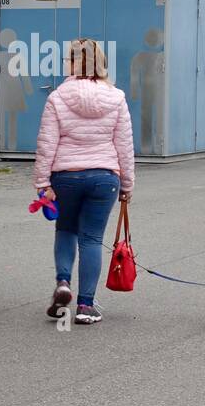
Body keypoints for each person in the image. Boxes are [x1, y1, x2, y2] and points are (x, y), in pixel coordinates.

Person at [33, 38, 135, 324]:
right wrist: (127, 185)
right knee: (91, 238)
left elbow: (46, 144)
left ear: (75, 63)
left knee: (66, 230)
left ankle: (63, 283)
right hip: (104, 178)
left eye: (68, 59)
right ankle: (86, 306)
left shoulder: (57, 98)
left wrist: (43, 184)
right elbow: (124, 146)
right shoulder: (117, 98)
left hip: (66, 176)